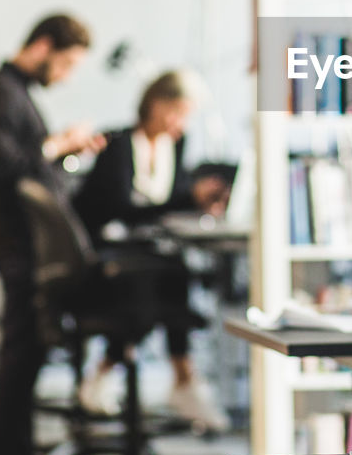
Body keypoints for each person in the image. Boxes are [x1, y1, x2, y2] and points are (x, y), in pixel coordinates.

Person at [0, 13, 107, 455]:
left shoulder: (18, 94)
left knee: (27, 361)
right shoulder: (0, 95)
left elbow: (34, 168)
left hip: (28, 244)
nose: (65, 75)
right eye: (66, 63)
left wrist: (68, 153)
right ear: (43, 46)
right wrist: (56, 144)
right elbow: (5, 170)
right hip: (18, 246)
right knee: (16, 360)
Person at [72, 70, 232, 431]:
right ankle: (171, 378)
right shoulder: (118, 145)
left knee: (173, 270)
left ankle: (166, 377)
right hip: (101, 254)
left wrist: (197, 199)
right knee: (161, 279)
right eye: (179, 111)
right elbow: (122, 208)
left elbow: (167, 202)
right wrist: (187, 197)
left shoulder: (175, 145)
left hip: (144, 252)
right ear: (157, 106)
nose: (182, 122)